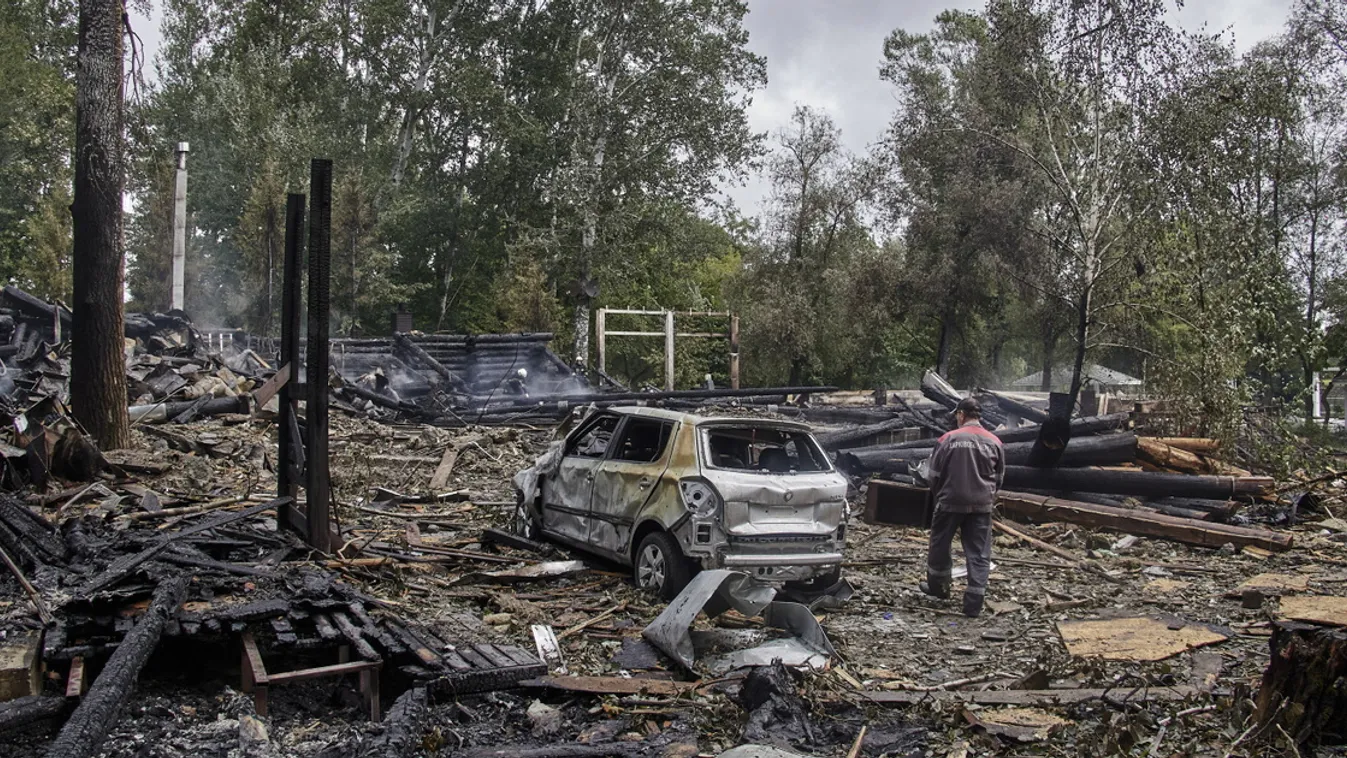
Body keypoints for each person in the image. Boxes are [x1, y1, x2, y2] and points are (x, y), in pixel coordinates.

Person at [921, 396, 1005, 617]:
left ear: (961, 415)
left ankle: (939, 588)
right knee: (979, 553)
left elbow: (933, 475)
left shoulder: (947, 439)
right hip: (981, 505)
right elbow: (999, 478)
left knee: (940, 545)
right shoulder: (995, 442)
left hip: (950, 502)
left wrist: (940, 495)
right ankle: (974, 602)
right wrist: (986, 497)